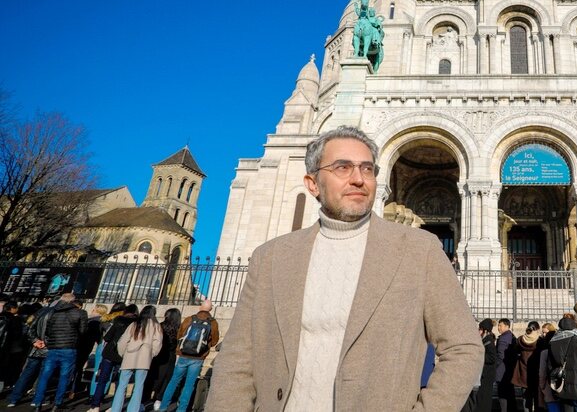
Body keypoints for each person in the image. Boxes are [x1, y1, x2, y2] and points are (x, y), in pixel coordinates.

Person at [207, 126, 483, 411]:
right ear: (312, 184)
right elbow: (237, 360)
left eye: (367, 169)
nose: (358, 179)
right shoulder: (270, 257)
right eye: (342, 167)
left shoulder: (420, 250)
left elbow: (464, 347)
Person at [29, 292, 88, 411]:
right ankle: (57, 403)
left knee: (45, 376)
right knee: (64, 376)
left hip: (53, 347)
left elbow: (48, 330)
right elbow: (83, 331)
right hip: (69, 348)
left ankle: (38, 403)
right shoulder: (80, 313)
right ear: (73, 301)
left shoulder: (53, 312)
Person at [159, 300, 219, 412]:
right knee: (189, 385)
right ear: (210, 309)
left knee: (173, 381)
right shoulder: (213, 322)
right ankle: (181, 410)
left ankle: (163, 407)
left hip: (183, 355)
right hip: (198, 357)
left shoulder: (190, 319)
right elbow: (215, 341)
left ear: (200, 307)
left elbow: (180, 334)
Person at [5, 300, 57, 407]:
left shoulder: (40, 312)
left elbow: (30, 328)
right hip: (48, 349)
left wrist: (35, 341)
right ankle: (37, 398)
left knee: (26, 374)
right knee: (43, 375)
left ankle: (14, 398)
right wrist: (45, 342)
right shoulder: (57, 315)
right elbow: (57, 333)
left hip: (36, 348)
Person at [111, 305, 162, 412]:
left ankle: (115, 409)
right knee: (139, 386)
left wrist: (123, 354)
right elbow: (157, 344)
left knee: (122, 385)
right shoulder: (156, 326)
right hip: (144, 358)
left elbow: (123, 341)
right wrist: (151, 354)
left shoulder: (134, 324)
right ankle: (133, 410)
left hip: (129, 355)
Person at [89, 303, 139, 411]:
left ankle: (95, 405)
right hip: (124, 356)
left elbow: (107, 337)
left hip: (109, 353)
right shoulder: (137, 323)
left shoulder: (119, 319)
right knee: (121, 383)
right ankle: (115, 406)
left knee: (102, 379)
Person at [147, 307, 181, 407]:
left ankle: (147, 398)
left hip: (158, 353)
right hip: (171, 355)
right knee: (167, 378)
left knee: (154, 375)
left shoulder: (160, 326)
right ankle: (159, 399)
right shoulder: (179, 329)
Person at [72, 302, 104, 396]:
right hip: (87, 347)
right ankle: (75, 387)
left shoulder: (91, 321)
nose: (92, 311)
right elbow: (98, 339)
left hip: (79, 345)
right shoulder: (97, 322)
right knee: (78, 367)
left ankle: (73, 387)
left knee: (75, 367)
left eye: (94, 309)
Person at [512, 321, 541, 411]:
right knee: (537, 398)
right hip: (537, 372)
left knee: (525, 397)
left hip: (523, 371)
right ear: (537, 329)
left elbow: (515, 351)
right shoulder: (540, 340)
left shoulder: (520, 340)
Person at [0, 300, 23, 392]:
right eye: (16, 307)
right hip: (5, 348)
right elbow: (17, 335)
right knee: (2, 371)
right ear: (12, 308)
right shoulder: (14, 319)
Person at [537, 323, 560, 412]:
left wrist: (542, 386)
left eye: (545, 333)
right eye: (542, 332)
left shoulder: (545, 352)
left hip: (549, 384)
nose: (543, 335)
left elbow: (542, 372)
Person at [496, 318, 517, 412]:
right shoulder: (512, 336)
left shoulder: (503, 339)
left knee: (503, 395)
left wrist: (494, 366)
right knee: (510, 394)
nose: (498, 327)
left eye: (500, 325)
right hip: (510, 370)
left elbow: (500, 357)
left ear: (507, 326)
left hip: (501, 371)